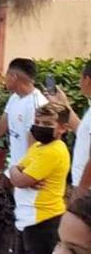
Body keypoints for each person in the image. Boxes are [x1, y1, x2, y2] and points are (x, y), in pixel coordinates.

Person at [7, 102, 72, 254]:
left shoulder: (54, 151)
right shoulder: (37, 147)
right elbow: (16, 172)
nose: (40, 127)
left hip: (43, 220)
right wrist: (16, 171)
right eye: (38, 122)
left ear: (62, 128)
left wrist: (16, 172)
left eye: (47, 124)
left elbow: (19, 180)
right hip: (25, 219)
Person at [0, 57, 47, 172]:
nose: (4, 80)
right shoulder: (14, 98)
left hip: (28, 174)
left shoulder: (37, 104)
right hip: (14, 172)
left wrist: (25, 174)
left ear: (13, 77)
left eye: (6, 76)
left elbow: (37, 147)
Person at [47, 60, 91, 195]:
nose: (79, 82)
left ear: (87, 80)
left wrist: (81, 190)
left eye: (80, 77)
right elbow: (82, 132)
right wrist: (63, 104)